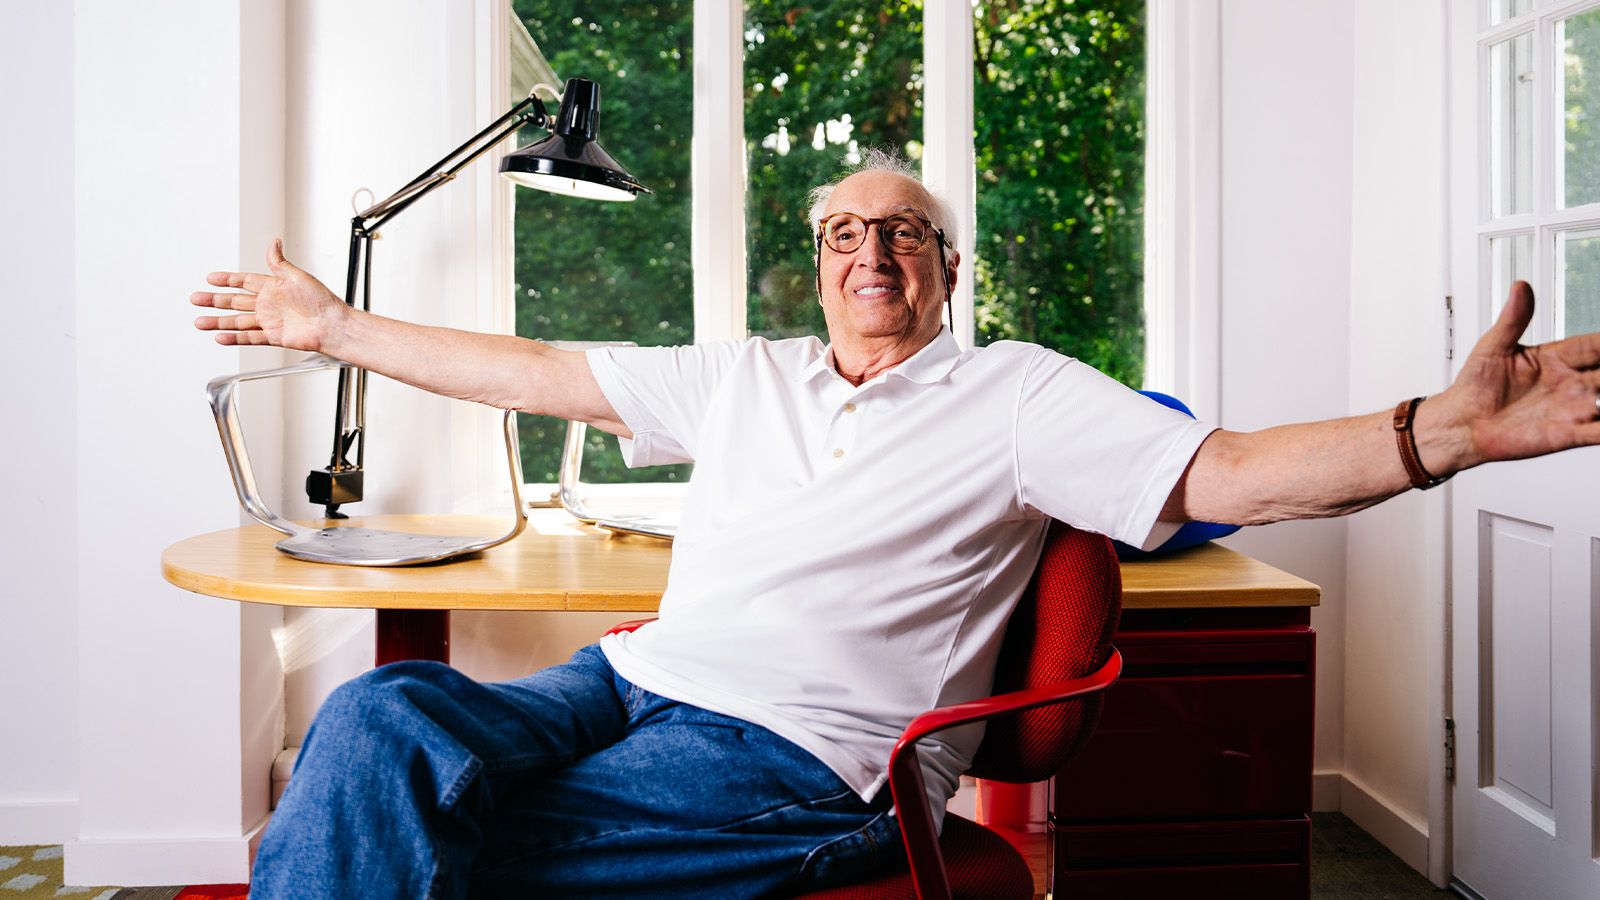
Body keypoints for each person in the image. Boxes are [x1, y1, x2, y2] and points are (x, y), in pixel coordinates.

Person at [192, 153, 1600, 899]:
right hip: (630, 682)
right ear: (819, 265)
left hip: (805, 760)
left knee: (390, 836)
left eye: (907, 233)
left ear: (946, 268)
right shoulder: (743, 374)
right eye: (848, 233)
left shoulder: (1022, 397)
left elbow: (1230, 472)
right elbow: (527, 366)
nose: (875, 250)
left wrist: (1438, 436)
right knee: (373, 738)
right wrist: (331, 329)